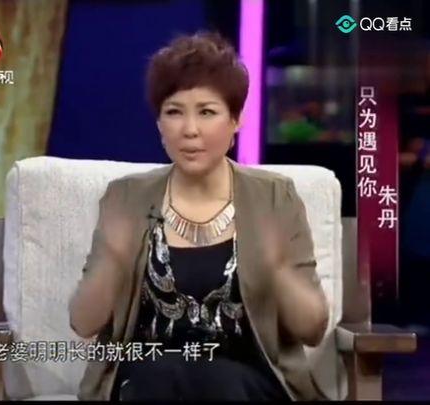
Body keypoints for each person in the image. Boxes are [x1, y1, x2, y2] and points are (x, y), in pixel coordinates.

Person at [69, 31, 329, 401]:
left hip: (245, 382)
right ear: (159, 123)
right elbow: (83, 322)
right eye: (174, 112)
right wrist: (113, 259)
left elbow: (311, 330)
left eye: (207, 112)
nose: (190, 130)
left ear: (236, 120)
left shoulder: (274, 197)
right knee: (157, 376)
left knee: (221, 381)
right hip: (149, 380)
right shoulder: (126, 198)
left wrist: (278, 269)